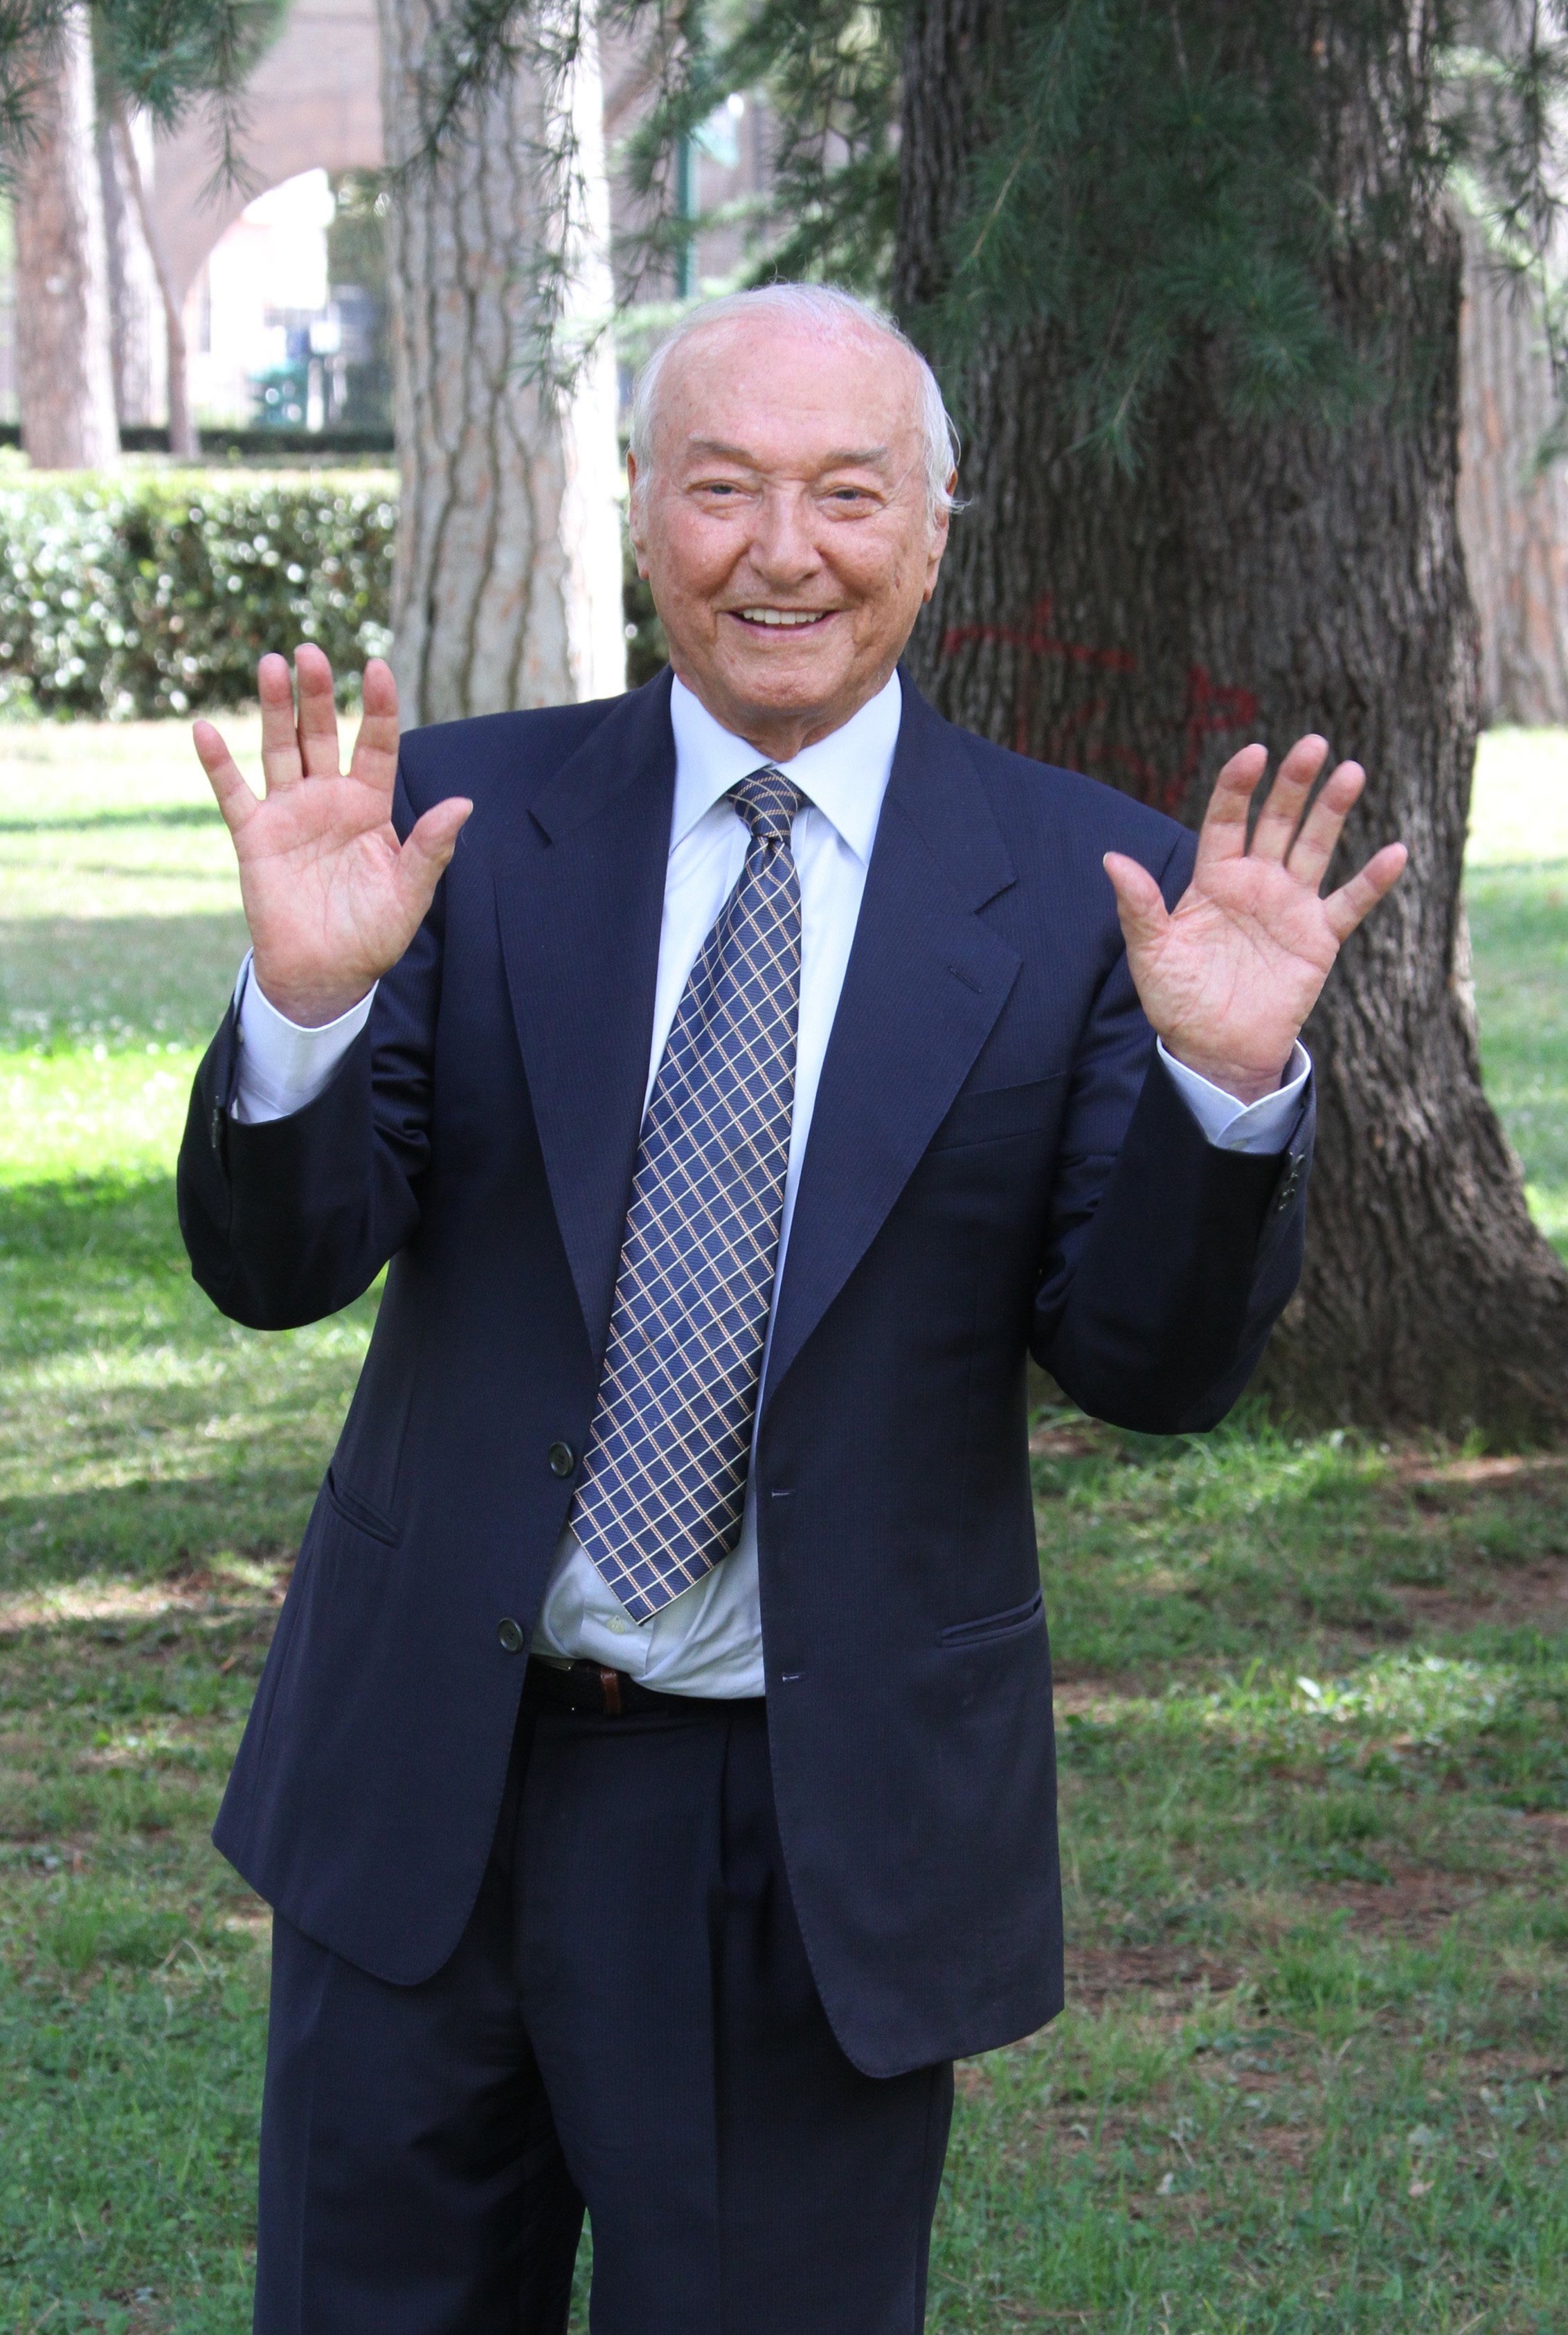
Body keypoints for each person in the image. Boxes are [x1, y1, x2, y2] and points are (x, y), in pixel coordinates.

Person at [179, 283, 1406, 2335]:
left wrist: (1223, 1091)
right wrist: (303, 1008)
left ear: (933, 527)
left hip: (813, 1832)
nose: (783, 551)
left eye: (847, 493)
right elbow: (272, 1267)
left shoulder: (1092, 890)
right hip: (423, 1791)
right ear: (638, 507)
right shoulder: (448, 829)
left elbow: (1153, 1367)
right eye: (723, 487)